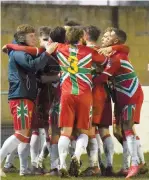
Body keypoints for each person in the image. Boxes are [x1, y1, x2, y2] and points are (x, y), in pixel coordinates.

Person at [0, 24, 55, 177]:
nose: (35, 38)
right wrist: (47, 53)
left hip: (25, 96)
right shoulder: (17, 52)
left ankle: (22, 168)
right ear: (22, 38)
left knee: (23, 135)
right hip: (20, 96)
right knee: (21, 134)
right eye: (31, 36)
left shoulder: (19, 50)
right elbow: (33, 66)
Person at [94, 28, 145, 179]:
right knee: (118, 131)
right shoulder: (112, 52)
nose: (103, 37)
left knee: (127, 128)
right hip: (120, 96)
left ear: (115, 41)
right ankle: (133, 164)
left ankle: (134, 164)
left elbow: (102, 78)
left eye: (107, 36)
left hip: (130, 95)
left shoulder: (118, 57)